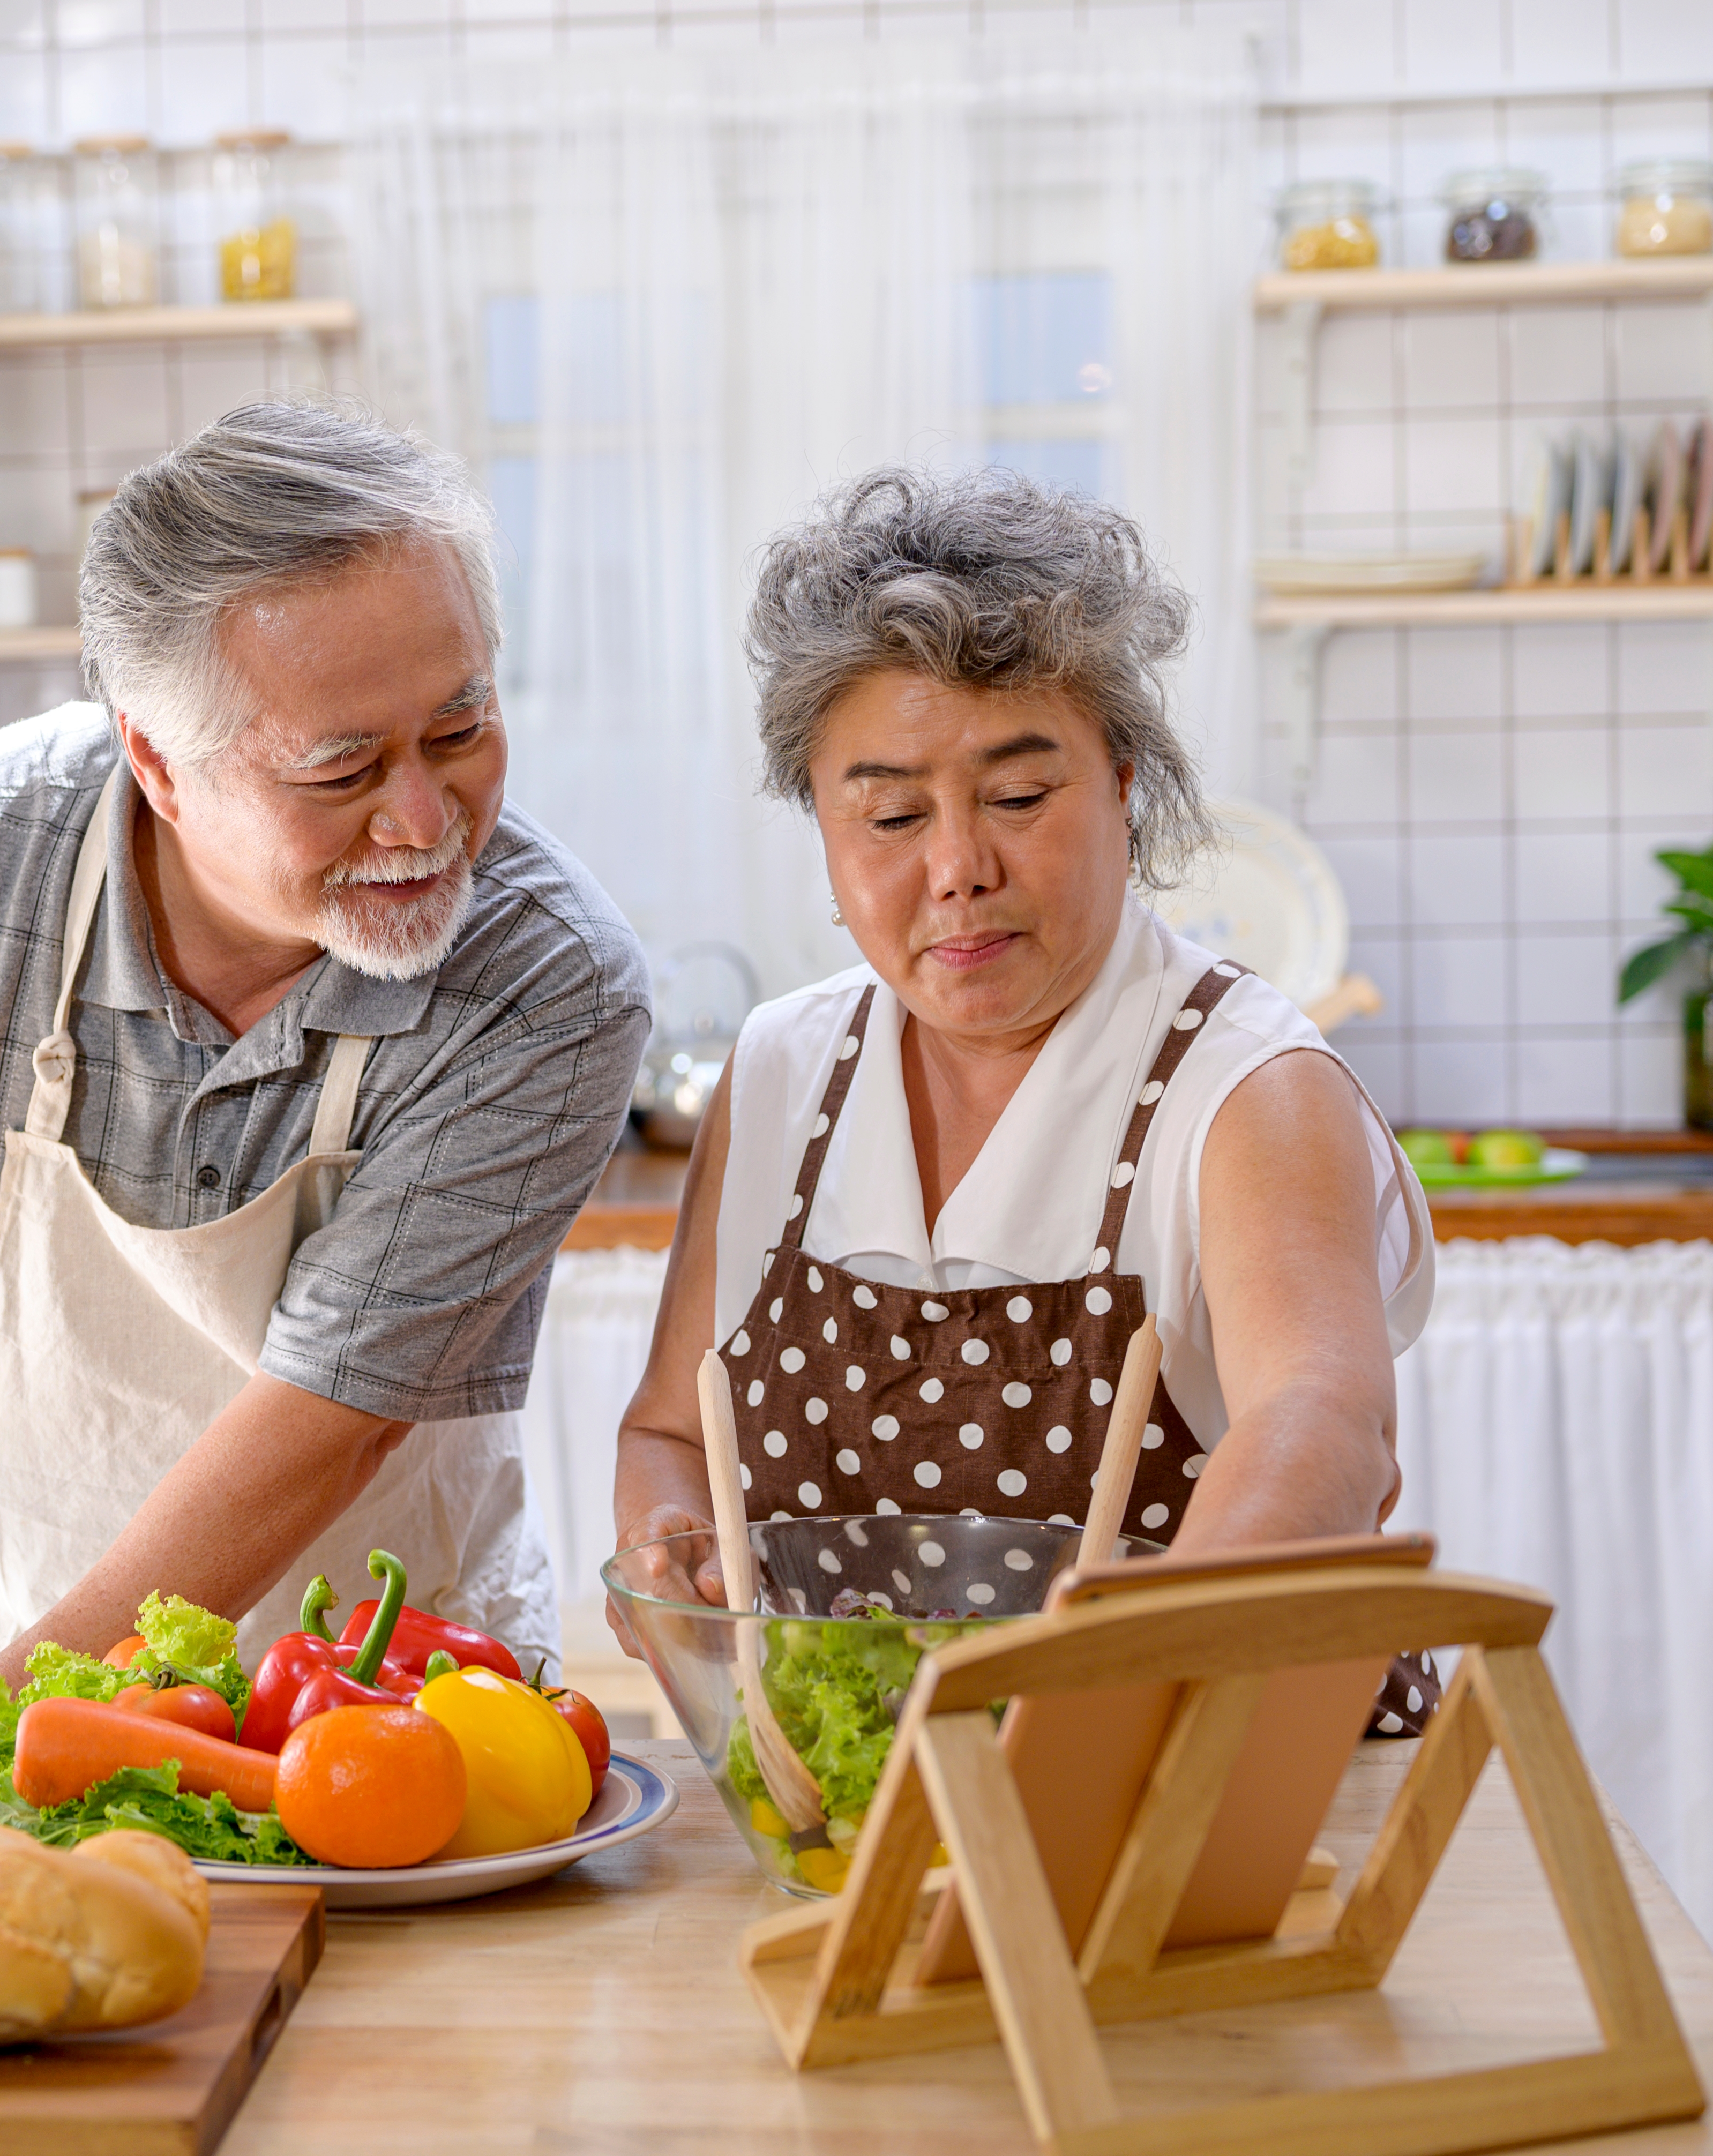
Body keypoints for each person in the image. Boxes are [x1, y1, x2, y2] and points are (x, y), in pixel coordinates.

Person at [0, 403, 652, 1799]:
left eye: (462, 726)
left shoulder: (546, 979)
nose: (428, 822)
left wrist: (2, 1715)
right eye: (344, 769)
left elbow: (329, 1419)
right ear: (159, 765)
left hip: (376, 1730)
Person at [609, 468, 1438, 1724]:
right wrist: (675, 1551)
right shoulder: (780, 1071)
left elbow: (1325, 1426)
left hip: (1205, 1777)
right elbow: (672, 1432)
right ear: (825, 831)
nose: (957, 869)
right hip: (859, 1804)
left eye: (1017, 797)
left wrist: (1114, 1689)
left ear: (1120, 779)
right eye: (891, 813)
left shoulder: (1245, 1082)